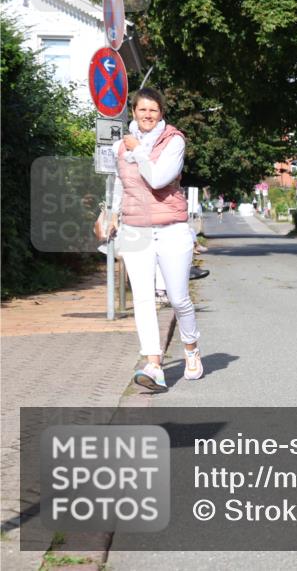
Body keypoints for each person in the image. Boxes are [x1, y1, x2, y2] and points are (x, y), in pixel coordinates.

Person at [111, 87, 203, 392]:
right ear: (133, 112)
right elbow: (119, 183)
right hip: (135, 228)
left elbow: (158, 178)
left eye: (153, 110)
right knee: (143, 298)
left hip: (171, 227)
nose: (147, 115)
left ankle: (191, 347)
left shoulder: (174, 141)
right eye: (142, 110)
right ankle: (154, 365)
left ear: (161, 113)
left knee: (178, 298)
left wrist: (138, 149)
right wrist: (111, 214)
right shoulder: (119, 148)